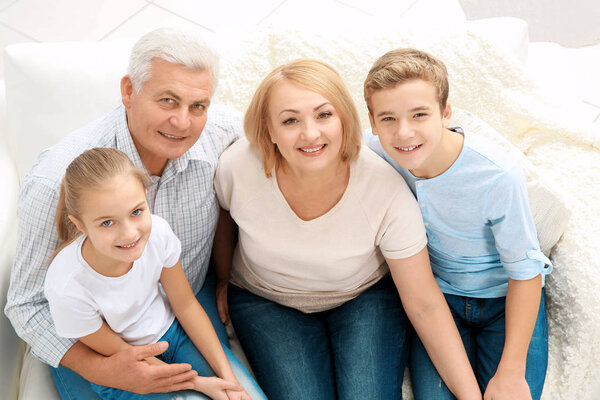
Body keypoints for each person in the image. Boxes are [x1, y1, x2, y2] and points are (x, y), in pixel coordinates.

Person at [5, 27, 264, 399]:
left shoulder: (222, 134)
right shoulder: (55, 181)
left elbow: (295, 140)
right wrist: (103, 368)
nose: (182, 122)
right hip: (97, 339)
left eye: (198, 106)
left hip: (182, 306)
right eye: (167, 101)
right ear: (128, 91)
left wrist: (228, 276)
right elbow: (25, 306)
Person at [213, 58, 482, 400]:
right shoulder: (239, 166)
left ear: (344, 118)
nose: (310, 133)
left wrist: (470, 396)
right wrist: (223, 278)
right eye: (290, 120)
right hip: (265, 298)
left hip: (363, 296)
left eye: (324, 115)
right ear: (269, 129)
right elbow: (224, 216)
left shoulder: (384, 189)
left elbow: (424, 303)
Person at [363, 48, 551, 400]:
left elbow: (526, 272)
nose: (404, 133)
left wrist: (510, 371)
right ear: (372, 122)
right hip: (439, 300)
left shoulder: (496, 176)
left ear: (446, 113)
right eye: (387, 118)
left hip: (503, 300)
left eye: (419, 114)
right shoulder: (371, 152)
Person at [45, 148, 255, 400]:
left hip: (173, 336)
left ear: (146, 196)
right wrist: (201, 385)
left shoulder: (158, 233)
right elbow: (120, 351)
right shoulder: (67, 286)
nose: (130, 234)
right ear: (79, 224)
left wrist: (228, 379)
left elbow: (186, 305)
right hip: (124, 362)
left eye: (136, 212)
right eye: (107, 223)